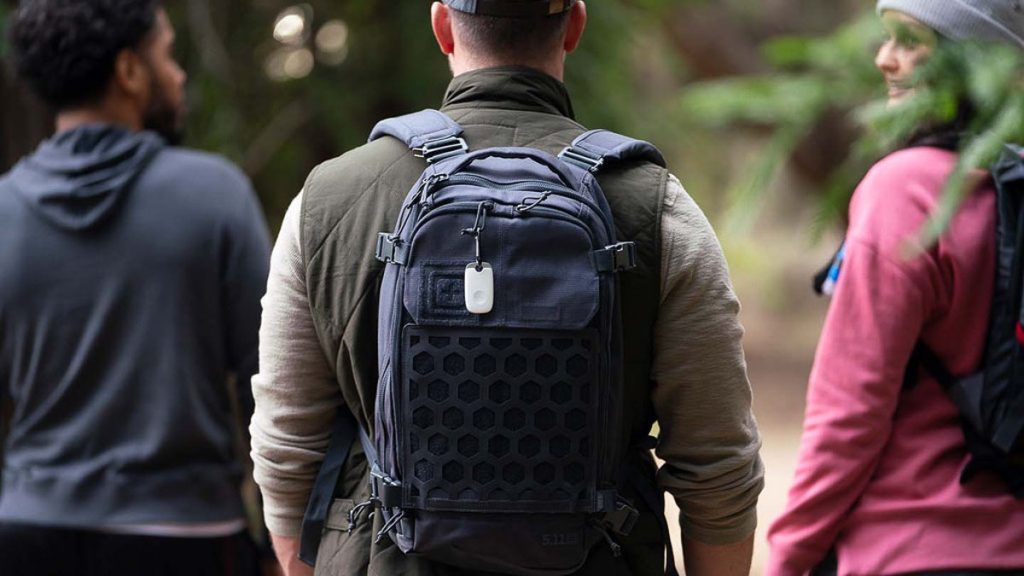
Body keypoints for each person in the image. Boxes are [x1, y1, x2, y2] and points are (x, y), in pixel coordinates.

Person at [249, 2, 763, 575]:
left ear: (442, 25)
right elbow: (718, 466)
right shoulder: (657, 207)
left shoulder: (327, 200)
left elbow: (285, 443)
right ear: (574, 26)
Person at [0, 1, 272, 575]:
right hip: (185, 537)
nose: (178, 75)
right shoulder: (214, 195)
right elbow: (272, 386)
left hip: (27, 534)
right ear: (129, 71)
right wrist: (283, 543)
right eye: (167, 55)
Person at [767, 1, 1024, 575]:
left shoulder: (904, 192)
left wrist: (787, 557)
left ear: (968, 57)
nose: (885, 60)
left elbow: (849, 417)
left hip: (908, 550)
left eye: (910, 42)